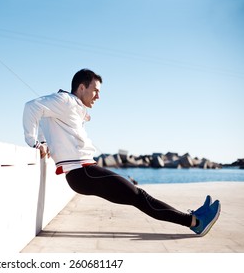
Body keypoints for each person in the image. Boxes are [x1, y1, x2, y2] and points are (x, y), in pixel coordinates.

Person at [23, 68, 221, 236]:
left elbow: (43, 117)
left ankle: (194, 218)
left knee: (138, 196)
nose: (98, 96)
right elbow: (32, 107)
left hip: (84, 172)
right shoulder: (64, 100)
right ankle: (196, 223)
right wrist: (34, 142)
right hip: (82, 172)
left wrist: (42, 141)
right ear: (82, 87)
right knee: (140, 197)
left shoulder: (69, 106)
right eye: (95, 90)